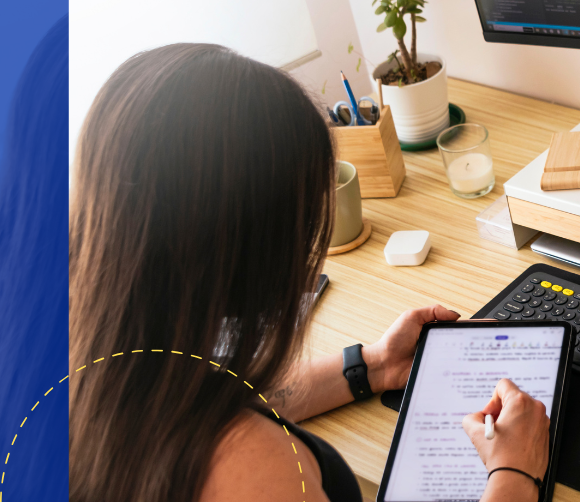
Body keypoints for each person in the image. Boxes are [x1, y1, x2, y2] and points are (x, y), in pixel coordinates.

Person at [69, 44, 549, 502]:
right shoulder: (243, 465)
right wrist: (515, 473)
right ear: (252, 249)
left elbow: (222, 395)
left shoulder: (89, 357)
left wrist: (373, 365)